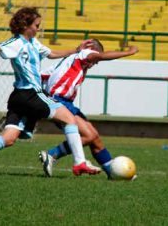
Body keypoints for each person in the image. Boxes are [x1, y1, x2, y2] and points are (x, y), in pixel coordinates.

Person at [0, 7, 100, 176]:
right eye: (36, 25)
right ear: (26, 25)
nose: (38, 29)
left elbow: (52, 53)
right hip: (30, 94)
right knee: (69, 118)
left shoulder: (33, 43)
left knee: (9, 138)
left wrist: (77, 51)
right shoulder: (17, 42)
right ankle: (79, 163)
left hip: (19, 97)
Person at [39, 39, 138, 178]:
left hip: (64, 102)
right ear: (93, 50)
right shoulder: (84, 54)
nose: (95, 63)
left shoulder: (69, 61)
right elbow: (100, 56)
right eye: (95, 58)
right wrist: (129, 52)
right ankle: (52, 154)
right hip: (58, 101)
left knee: (94, 137)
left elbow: (43, 75)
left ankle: (112, 173)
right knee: (89, 135)